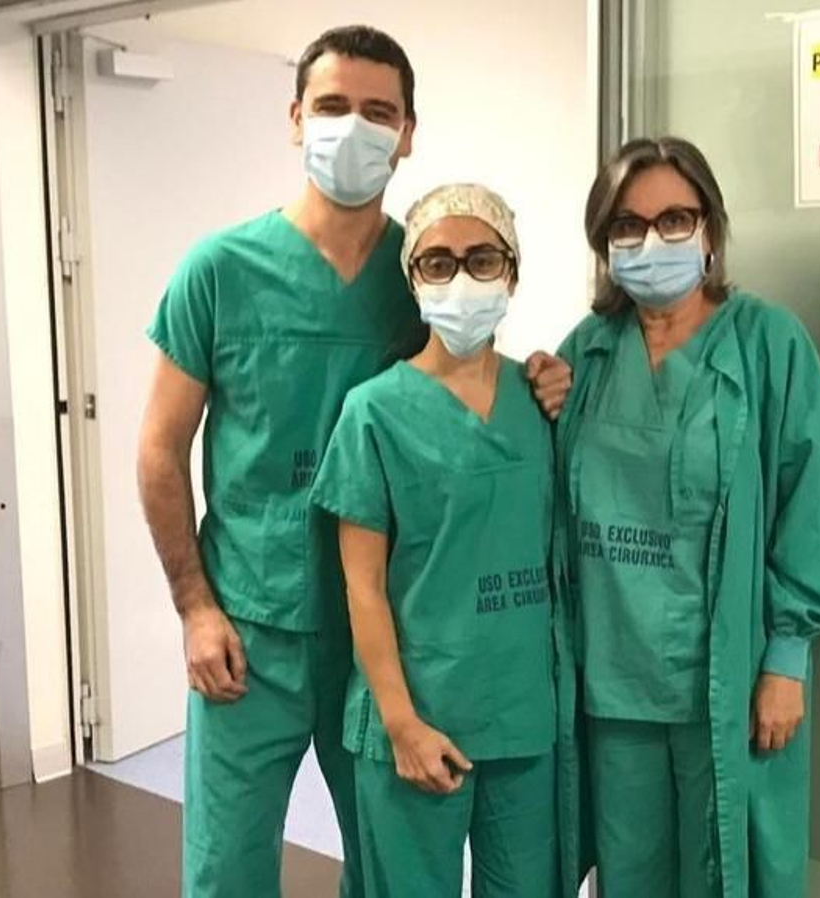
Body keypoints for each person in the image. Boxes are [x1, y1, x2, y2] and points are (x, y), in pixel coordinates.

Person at [138, 25, 569, 898]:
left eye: (379, 113)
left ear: (409, 133)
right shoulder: (219, 271)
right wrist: (194, 607)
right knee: (226, 868)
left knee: (384, 869)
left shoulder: (421, 274)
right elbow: (158, 448)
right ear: (296, 118)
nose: (355, 129)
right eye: (333, 107)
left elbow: (460, 380)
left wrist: (543, 376)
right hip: (250, 629)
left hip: (385, 639)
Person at [551, 137, 820, 898]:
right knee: (630, 875)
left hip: (725, 678)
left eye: (674, 219)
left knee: (725, 874)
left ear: (711, 232)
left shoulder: (766, 344)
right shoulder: (587, 355)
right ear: (605, 242)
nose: (651, 240)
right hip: (613, 685)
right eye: (627, 225)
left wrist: (786, 659)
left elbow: (812, 501)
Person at [310, 184, 562, 898]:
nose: (462, 279)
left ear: (512, 273)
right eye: (438, 262)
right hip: (414, 718)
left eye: (482, 260)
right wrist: (400, 722)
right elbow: (361, 586)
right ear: (412, 279)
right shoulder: (375, 412)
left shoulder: (542, 401)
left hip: (521, 717)